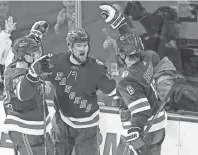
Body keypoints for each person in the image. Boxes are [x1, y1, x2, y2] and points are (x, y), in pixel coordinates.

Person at [29, 27, 116, 155]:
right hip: (62, 123)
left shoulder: (97, 68)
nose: (83, 49)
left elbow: (113, 91)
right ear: (70, 46)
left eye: (85, 45)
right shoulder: (55, 62)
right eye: (78, 45)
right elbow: (37, 76)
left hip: (88, 127)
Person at [99, 3, 169, 155]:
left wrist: (135, 131)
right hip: (159, 124)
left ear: (122, 55)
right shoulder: (149, 56)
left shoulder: (126, 79)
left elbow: (141, 110)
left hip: (143, 131)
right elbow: (132, 39)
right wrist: (117, 21)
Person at [1, 21, 54, 155]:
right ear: (25, 57)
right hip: (23, 128)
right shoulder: (12, 73)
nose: (38, 55)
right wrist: (35, 73)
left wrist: (35, 35)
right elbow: (22, 92)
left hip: (38, 126)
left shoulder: (27, 63)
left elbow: (22, 47)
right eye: (34, 53)